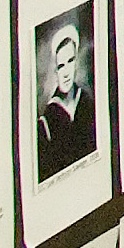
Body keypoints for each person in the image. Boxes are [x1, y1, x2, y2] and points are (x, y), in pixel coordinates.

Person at [33, 18, 96, 179]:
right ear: (55, 70)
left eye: (70, 61)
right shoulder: (46, 121)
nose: (66, 72)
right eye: (61, 66)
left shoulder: (87, 102)